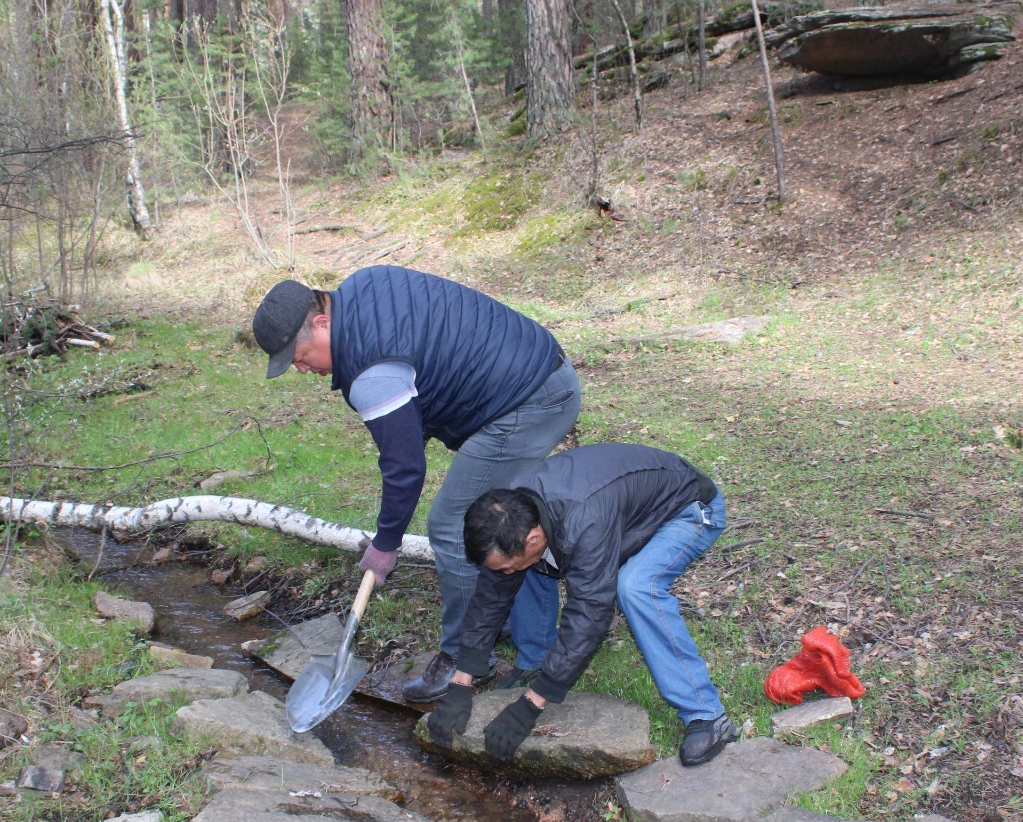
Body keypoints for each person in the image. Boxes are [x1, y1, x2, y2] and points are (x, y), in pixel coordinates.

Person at [252, 265, 581, 701]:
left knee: (452, 523)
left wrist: (385, 545)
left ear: (321, 322)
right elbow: (423, 375)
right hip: (540, 369)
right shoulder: (362, 287)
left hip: (528, 400)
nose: (300, 369)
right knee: (505, 520)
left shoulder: (371, 370)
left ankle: (467, 660)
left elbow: (405, 468)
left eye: (299, 356)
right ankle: (500, 625)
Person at [426, 443, 737, 767]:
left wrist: (531, 705)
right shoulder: (511, 514)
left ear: (534, 538)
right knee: (517, 569)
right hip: (617, 511)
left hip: (688, 509)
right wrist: (460, 682)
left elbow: (589, 613)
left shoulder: (584, 522)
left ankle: (707, 716)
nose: (503, 571)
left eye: (505, 563)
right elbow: (492, 591)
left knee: (634, 586)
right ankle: (535, 662)